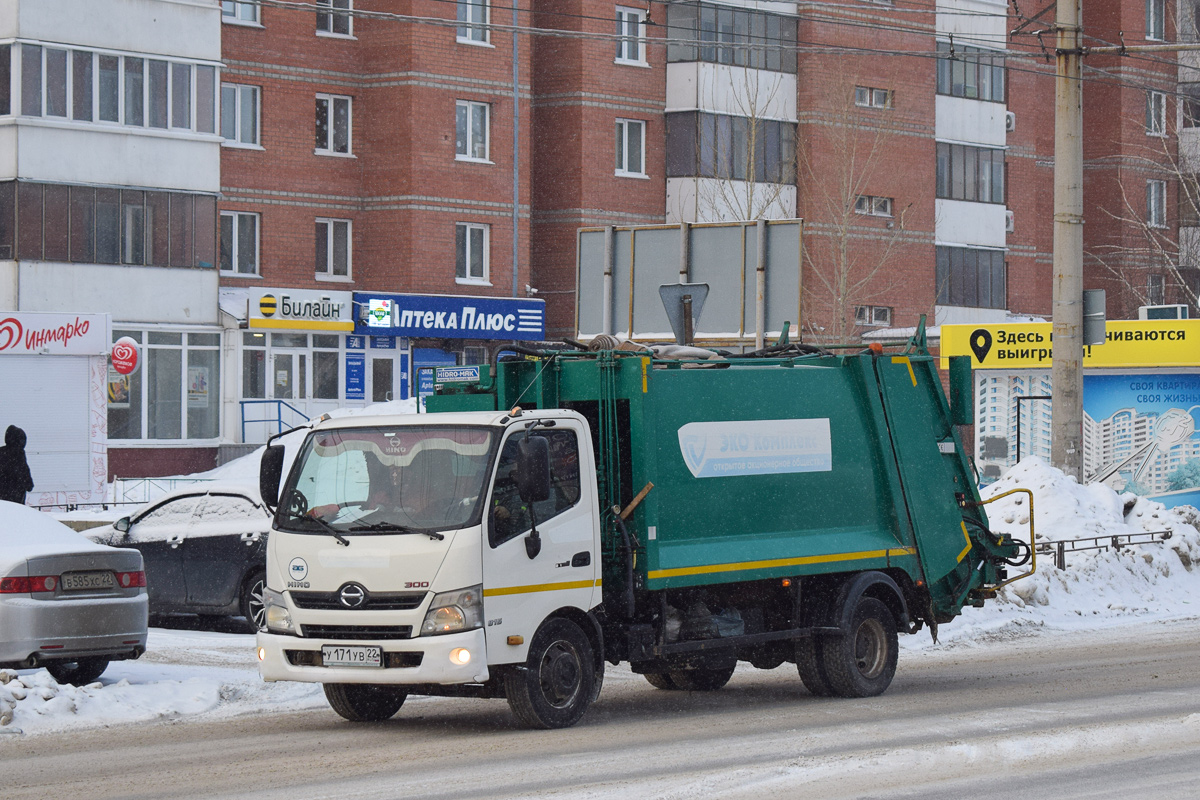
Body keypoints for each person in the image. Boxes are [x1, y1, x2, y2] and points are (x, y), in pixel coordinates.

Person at [0, 425, 34, 505]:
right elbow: (23, 472)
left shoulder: (1, 452)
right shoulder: (18, 454)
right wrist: (29, 484)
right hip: (15, 496)